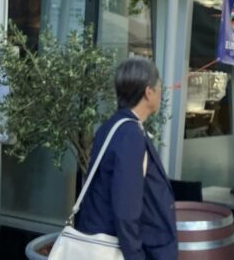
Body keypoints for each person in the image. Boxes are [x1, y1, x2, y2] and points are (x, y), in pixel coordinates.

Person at [76, 56, 177, 259]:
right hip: (124, 250)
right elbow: (126, 209)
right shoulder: (130, 135)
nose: (161, 92)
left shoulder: (111, 127)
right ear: (148, 92)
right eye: (159, 87)